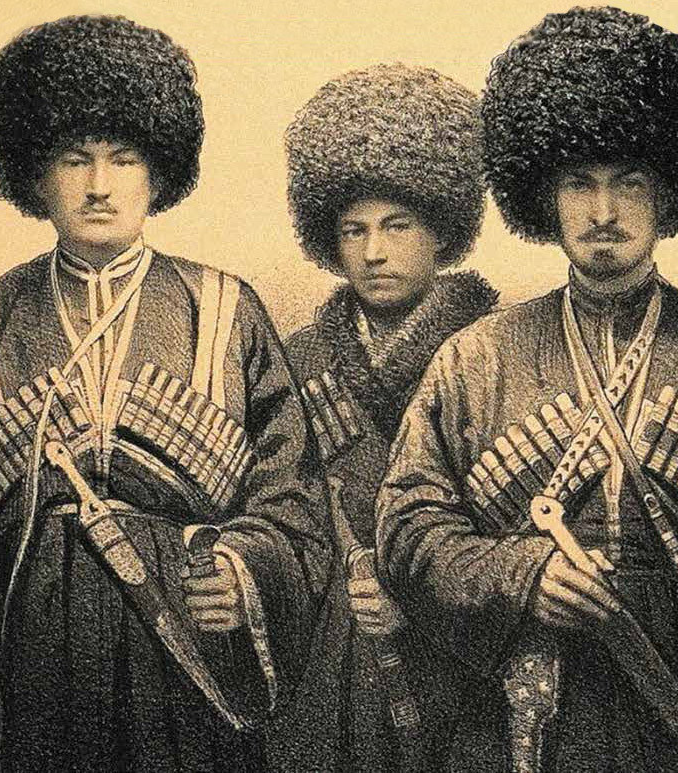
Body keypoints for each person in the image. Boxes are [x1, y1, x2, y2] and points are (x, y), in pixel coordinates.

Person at [0, 14, 330, 771]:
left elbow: (292, 494)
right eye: (74, 160)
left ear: (158, 172)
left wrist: (243, 568)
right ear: (34, 175)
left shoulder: (226, 310)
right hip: (27, 654)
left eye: (122, 159)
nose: (98, 186)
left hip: (185, 641)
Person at [376, 7, 678, 772]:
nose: (602, 213)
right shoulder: (475, 358)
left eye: (628, 181)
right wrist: (521, 573)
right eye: (578, 183)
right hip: (521, 709)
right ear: (543, 194)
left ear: (667, 189)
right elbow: (407, 530)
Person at [273, 62, 497, 771]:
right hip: (327, 658)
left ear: (441, 230)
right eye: (353, 230)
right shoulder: (296, 360)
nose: (373, 252)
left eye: (396, 226)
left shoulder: (495, 351)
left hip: (463, 661)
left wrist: (415, 600)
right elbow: (272, 515)